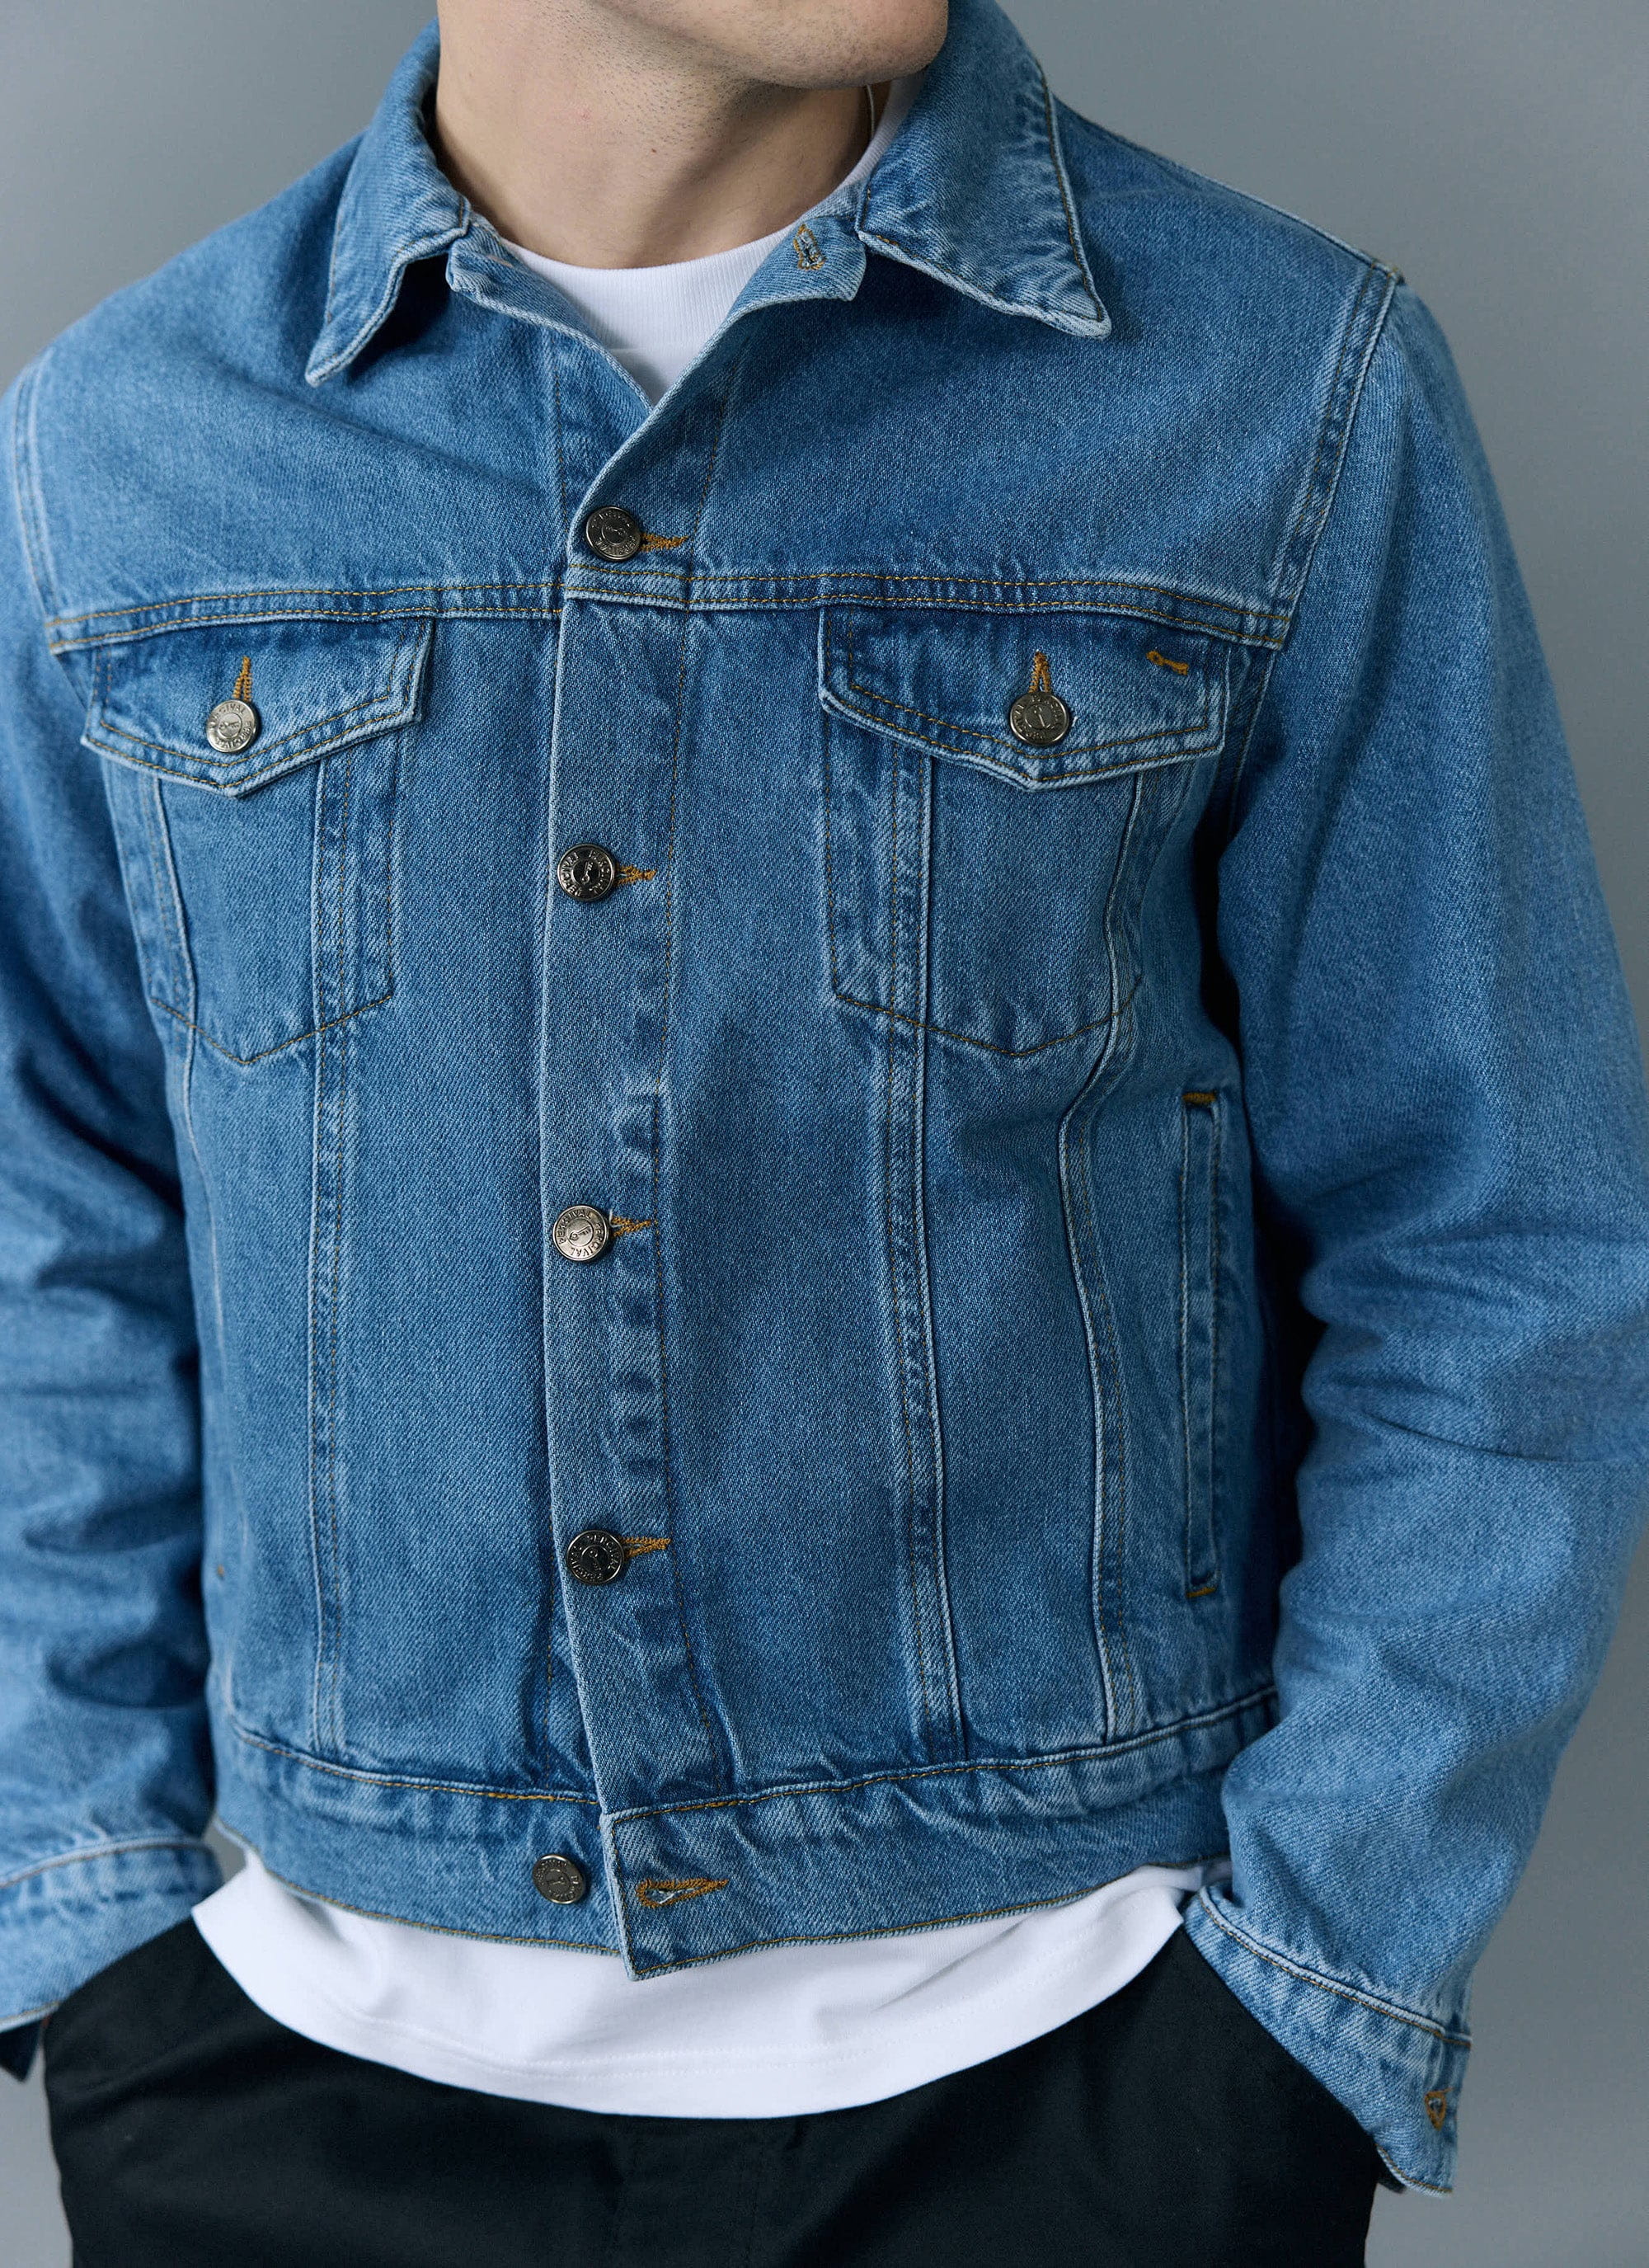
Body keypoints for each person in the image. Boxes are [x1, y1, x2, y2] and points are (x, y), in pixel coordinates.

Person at [2, 0, 1645, 2261]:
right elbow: (40, 1226)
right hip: (291, 2102)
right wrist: (86, 1925)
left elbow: (1499, 1232)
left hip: (1071, 2090)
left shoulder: (1281, 390)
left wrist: (1311, 1995)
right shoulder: (123, 442)